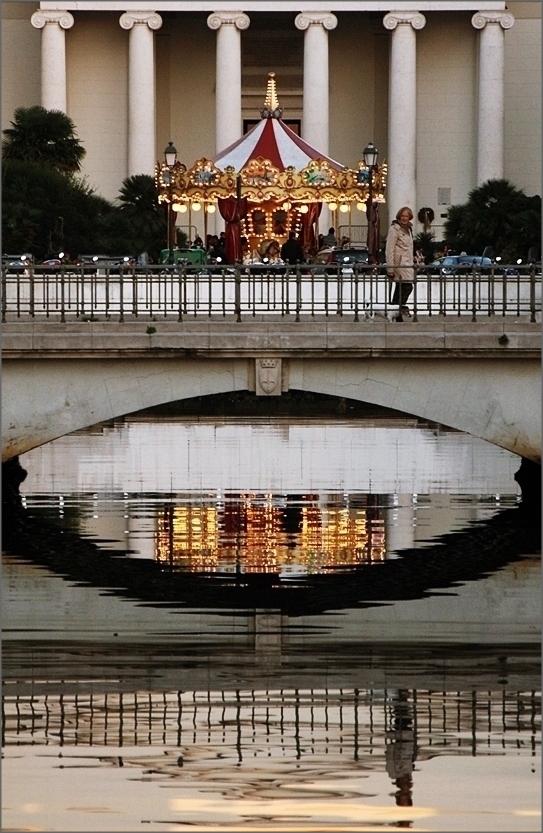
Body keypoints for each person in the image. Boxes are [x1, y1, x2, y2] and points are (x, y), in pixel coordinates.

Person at [385, 206, 416, 319]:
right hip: (399, 264)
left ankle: (395, 313)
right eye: (402, 216)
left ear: (409, 217)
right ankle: (398, 311)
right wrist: (390, 268)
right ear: (399, 216)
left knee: (400, 289)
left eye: (406, 216)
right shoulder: (394, 229)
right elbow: (390, 249)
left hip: (407, 263)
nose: (404, 218)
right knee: (407, 287)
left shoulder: (408, 229)